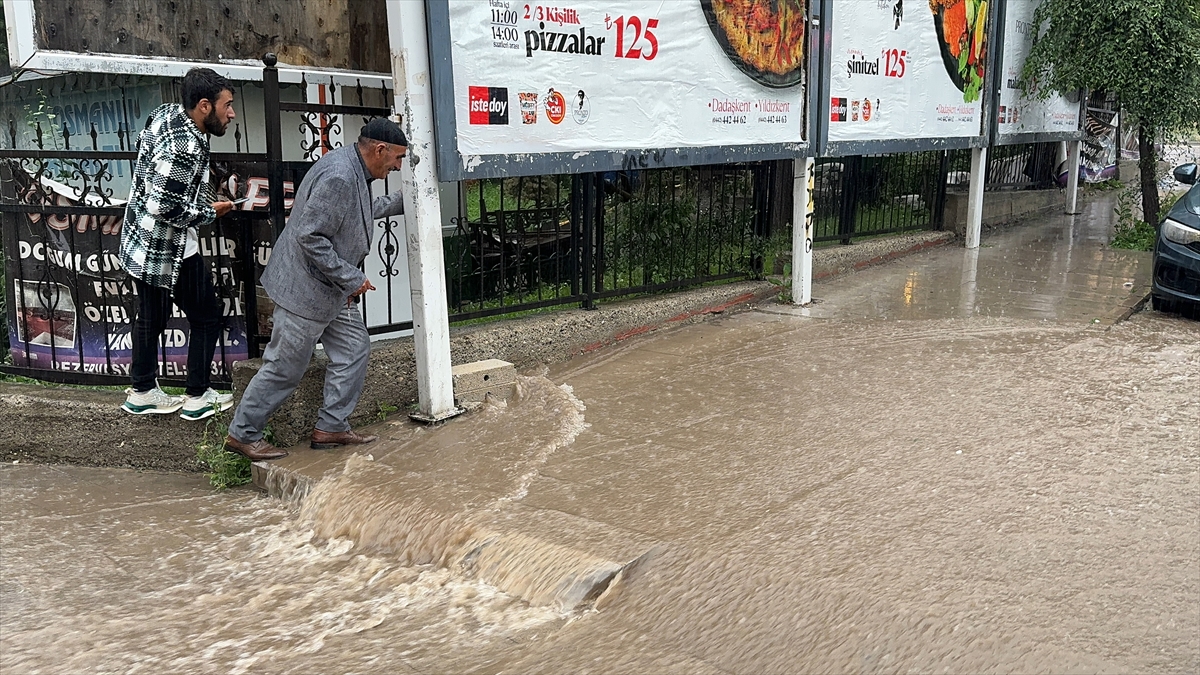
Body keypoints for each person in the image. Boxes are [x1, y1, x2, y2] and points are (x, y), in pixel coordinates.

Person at [223, 119, 407, 461]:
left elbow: (360, 215)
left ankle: (331, 427)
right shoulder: (339, 176)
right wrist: (351, 277)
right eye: (397, 159)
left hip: (329, 289)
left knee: (354, 348)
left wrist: (407, 198)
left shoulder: (352, 167)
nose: (398, 166)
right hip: (305, 290)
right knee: (284, 367)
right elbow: (311, 236)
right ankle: (243, 435)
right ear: (380, 150)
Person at [119, 68, 237, 420]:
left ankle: (141, 391)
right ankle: (198, 396)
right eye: (227, 106)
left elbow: (150, 169)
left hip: (141, 238)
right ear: (204, 106)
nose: (231, 114)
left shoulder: (166, 114)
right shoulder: (185, 146)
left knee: (151, 318)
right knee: (206, 317)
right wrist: (208, 211)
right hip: (168, 249)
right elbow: (163, 205)